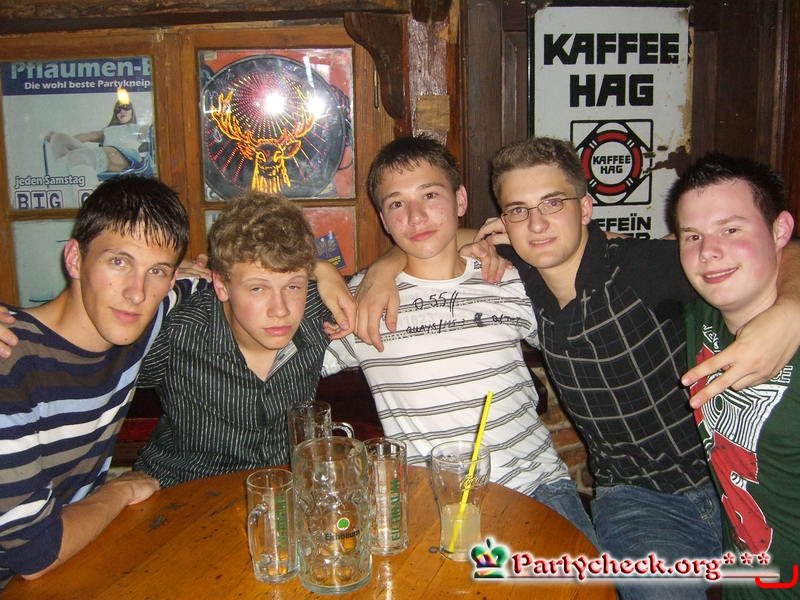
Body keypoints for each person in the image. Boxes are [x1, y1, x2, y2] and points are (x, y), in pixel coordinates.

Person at [322, 136, 597, 544]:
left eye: (430, 195)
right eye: (397, 204)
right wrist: (318, 270)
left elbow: (582, 332)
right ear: (383, 219)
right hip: (430, 502)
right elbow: (278, 360)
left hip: (536, 488)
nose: (416, 216)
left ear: (460, 200)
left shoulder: (510, 277)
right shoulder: (362, 302)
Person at [0, 176, 192, 589]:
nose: (137, 292)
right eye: (118, 262)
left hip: (67, 567)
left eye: (156, 270)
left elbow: (219, 276)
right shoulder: (10, 362)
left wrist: (323, 271)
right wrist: (118, 492)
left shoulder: (142, 319)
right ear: (75, 259)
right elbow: (34, 555)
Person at [134, 192, 345, 486]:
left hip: (283, 492)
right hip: (184, 490)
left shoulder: (320, 311)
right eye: (258, 289)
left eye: (293, 287)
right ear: (221, 285)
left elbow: (393, 278)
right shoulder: (176, 331)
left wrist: (339, 269)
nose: (280, 310)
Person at [666, 153, 800, 596]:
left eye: (731, 229)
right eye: (693, 236)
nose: (708, 251)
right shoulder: (700, 313)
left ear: (779, 230)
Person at [44, 94, 153, 179]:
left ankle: (66, 172)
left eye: (126, 107)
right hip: (96, 156)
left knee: (75, 158)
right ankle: (64, 176)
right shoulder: (108, 131)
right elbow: (88, 136)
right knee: (59, 138)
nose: (122, 111)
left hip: (123, 160)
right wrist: (56, 140)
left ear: (132, 110)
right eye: (118, 109)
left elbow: (150, 131)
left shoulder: (137, 129)